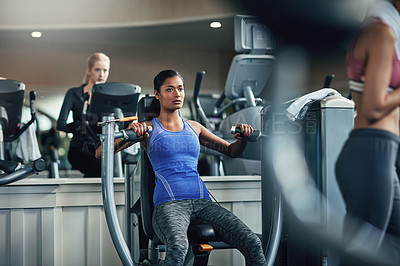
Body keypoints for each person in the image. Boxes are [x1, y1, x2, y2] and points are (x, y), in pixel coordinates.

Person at [97, 70, 266, 265]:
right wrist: (133, 130)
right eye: (169, 89)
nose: (177, 94)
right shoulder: (148, 128)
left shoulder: (195, 127)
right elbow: (101, 152)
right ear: (157, 94)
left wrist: (243, 138)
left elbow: (231, 151)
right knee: (178, 247)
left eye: (180, 89)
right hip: (169, 205)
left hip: (203, 203)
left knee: (252, 242)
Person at [335, 0, 400, 263]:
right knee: (360, 251)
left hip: (381, 152)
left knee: (394, 243)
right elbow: (374, 108)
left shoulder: (385, 32)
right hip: (371, 150)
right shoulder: (380, 33)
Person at [57, 52, 110, 177]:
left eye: (105, 70)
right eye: (97, 69)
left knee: (105, 173)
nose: (101, 74)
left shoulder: (108, 97)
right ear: (89, 70)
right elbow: (61, 124)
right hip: (79, 148)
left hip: (100, 149)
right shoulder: (74, 93)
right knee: (99, 171)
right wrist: (77, 126)